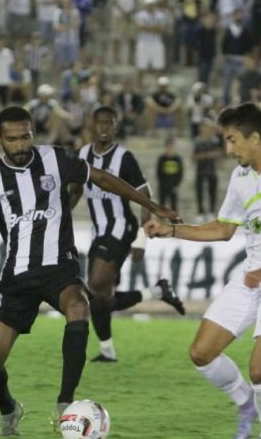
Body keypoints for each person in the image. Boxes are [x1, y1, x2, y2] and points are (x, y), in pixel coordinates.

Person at [0, 105, 179, 436]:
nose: (20, 146)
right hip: (17, 275)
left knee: (79, 305)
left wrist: (150, 206)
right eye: (12, 139)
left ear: (33, 133)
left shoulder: (55, 159)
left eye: (26, 137)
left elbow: (102, 178)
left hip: (59, 265)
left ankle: (65, 404)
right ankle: (9, 408)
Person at [144, 103, 261, 439]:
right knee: (201, 353)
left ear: (255, 138)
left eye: (232, 140)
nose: (227, 149)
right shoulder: (241, 178)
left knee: (260, 369)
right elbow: (224, 229)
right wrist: (172, 230)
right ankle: (245, 404)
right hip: (251, 276)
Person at [69, 107, 185, 363]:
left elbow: (144, 196)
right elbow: (76, 190)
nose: (104, 128)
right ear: (92, 125)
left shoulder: (124, 158)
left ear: (116, 127)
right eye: (99, 123)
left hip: (122, 228)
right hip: (99, 231)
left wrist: (141, 239)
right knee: (99, 298)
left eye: (109, 124)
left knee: (96, 286)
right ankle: (110, 347)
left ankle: (155, 293)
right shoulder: (83, 154)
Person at [156, 137, 184, 212]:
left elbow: (180, 173)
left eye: (172, 147)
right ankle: (161, 221)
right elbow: (158, 173)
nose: (170, 149)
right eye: (168, 147)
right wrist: (162, 183)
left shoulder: (178, 159)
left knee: (174, 206)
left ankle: (174, 222)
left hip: (173, 186)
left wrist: (176, 184)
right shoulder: (161, 159)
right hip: (163, 186)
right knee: (161, 205)